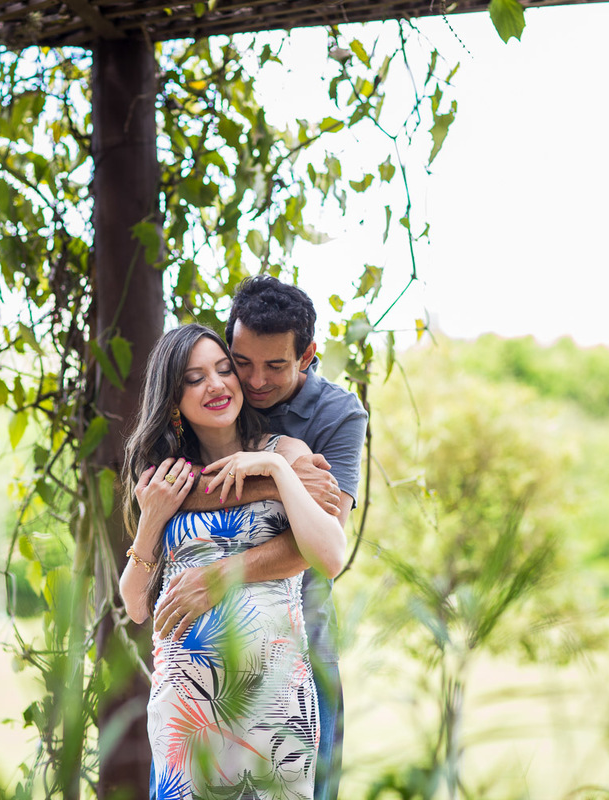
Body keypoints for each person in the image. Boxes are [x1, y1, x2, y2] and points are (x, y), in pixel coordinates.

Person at [151, 276, 369, 800]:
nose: (253, 381)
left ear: (308, 355)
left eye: (275, 366)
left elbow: (317, 545)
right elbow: (160, 486)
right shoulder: (219, 392)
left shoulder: (337, 416)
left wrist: (222, 575)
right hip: (201, 662)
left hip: (299, 643)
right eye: (241, 362)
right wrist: (279, 479)